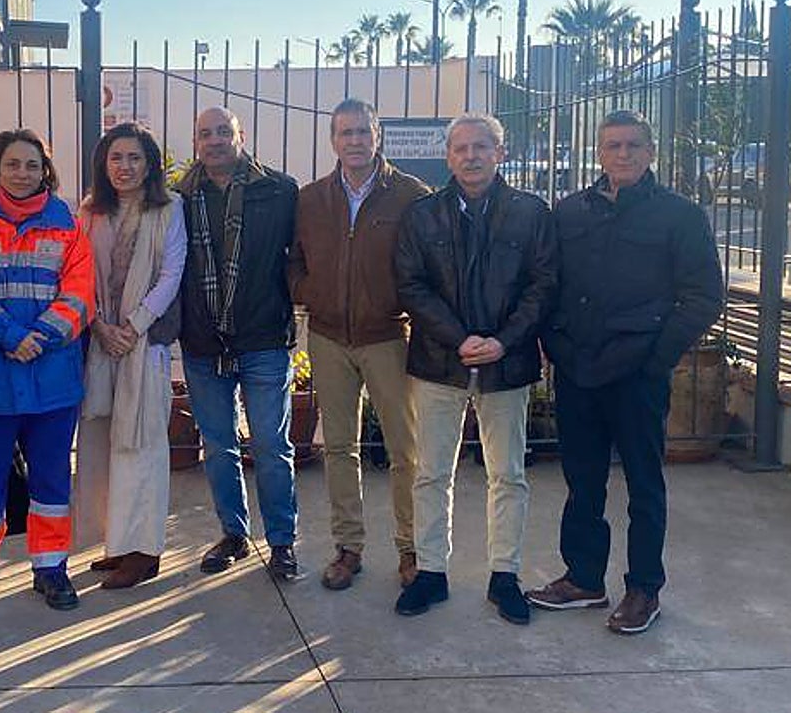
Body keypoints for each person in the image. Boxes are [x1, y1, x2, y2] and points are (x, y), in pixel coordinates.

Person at [527, 110, 723, 634]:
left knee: (644, 484)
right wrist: (554, 342)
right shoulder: (569, 213)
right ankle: (584, 579)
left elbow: (705, 295)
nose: (623, 154)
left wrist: (657, 357)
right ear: (598, 152)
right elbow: (548, 284)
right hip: (578, 371)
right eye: (613, 145)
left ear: (651, 151)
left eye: (634, 145)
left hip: (639, 374)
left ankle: (643, 589)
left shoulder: (680, 216)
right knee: (583, 482)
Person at [394, 113, 557, 625]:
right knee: (431, 472)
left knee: (507, 474)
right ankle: (431, 574)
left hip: (506, 366)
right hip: (439, 364)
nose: (471, 156)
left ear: (500, 153)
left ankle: (504, 575)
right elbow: (411, 285)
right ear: (448, 157)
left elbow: (543, 285)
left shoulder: (531, 213)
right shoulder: (422, 215)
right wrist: (460, 338)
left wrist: (502, 341)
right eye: (461, 148)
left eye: (481, 147)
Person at [0, 128, 94, 616]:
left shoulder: (70, 227)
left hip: (53, 381)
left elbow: (79, 296)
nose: (22, 173)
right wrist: (13, 337)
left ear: (44, 171)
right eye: (13, 164)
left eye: (32, 165)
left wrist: (40, 338)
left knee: (51, 481)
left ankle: (50, 568)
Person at [288, 98, 429, 591]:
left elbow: (427, 262)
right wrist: (310, 293)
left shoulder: (411, 194)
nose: (354, 142)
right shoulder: (310, 199)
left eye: (362, 132)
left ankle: (411, 548)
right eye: (344, 133)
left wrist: (399, 301)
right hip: (327, 338)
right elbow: (292, 261)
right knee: (339, 447)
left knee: (404, 450)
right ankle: (348, 548)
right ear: (333, 141)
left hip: (388, 336)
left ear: (378, 135)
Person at [178, 106, 302, 581]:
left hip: (264, 340)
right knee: (218, 445)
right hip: (204, 342)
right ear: (196, 141)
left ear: (240, 135)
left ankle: (283, 542)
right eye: (204, 133)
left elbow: (299, 257)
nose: (214, 141)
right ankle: (233, 534)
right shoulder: (179, 199)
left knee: (272, 445)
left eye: (222, 132)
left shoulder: (280, 190)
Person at [73, 122, 187, 588]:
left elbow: (172, 272)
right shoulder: (89, 213)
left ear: (149, 164)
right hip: (101, 343)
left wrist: (132, 327)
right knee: (102, 443)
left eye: (134, 158)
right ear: (104, 163)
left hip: (144, 346)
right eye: (116, 158)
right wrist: (100, 325)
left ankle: (144, 552)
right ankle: (116, 544)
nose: (124, 167)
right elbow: (78, 272)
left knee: (141, 445)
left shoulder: (169, 208)